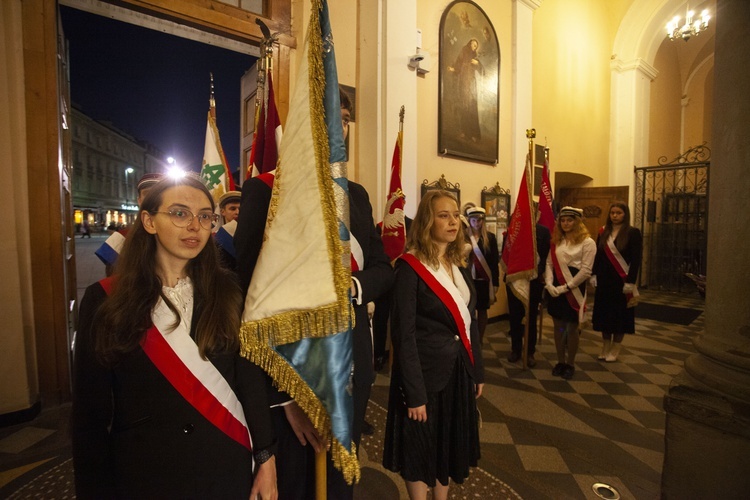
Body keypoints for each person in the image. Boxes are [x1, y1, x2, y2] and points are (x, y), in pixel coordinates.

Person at [71, 174, 277, 499]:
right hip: (149, 473)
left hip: (225, 464)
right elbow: (89, 416)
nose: (195, 226)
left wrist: (265, 456)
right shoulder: (106, 299)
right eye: (180, 213)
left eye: (205, 216)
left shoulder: (229, 292)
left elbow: (248, 379)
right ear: (149, 221)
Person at [233, 87, 393, 499]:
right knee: (297, 486)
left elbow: (381, 269)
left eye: (342, 117)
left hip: (351, 365)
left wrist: (353, 288)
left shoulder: (355, 195)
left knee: (340, 482)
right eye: (326, 117)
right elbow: (250, 301)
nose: (337, 125)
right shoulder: (266, 192)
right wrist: (284, 395)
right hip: (292, 374)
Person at [383, 190, 484, 500]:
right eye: (444, 215)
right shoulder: (409, 268)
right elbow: (404, 335)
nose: (453, 222)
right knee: (419, 449)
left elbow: (470, 322)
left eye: (455, 215)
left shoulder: (459, 266)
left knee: (448, 446)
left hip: (457, 372)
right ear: (428, 221)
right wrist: (414, 393)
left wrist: (476, 370)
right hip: (424, 376)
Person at [544, 206, 596, 380]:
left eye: (570, 220)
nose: (566, 223)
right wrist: (550, 283)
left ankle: (570, 363)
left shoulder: (588, 242)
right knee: (558, 327)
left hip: (574, 287)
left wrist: (565, 288)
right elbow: (550, 263)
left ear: (577, 221)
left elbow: (586, 271)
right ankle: (560, 361)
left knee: (572, 328)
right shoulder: (557, 240)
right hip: (556, 286)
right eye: (563, 220)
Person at [592, 201, 643, 362]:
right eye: (612, 213)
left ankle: (615, 348)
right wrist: (593, 274)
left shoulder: (633, 232)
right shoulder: (603, 232)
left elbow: (636, 260)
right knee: (604, 315)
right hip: (604, 281)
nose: (615, 216)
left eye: (618, 213)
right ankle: (605, 345)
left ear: (625, 214)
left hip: (621, 281)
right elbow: (598, 256)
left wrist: (631, 282)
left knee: (620, 315)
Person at [95, 172, 164, 276]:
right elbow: (112, 282)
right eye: (147, 194)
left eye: (158, 194)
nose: (152, 199)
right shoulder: (120, 240)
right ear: (139, 200)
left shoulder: (181, 235)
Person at [504, 220, 551, 367]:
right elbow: (507, 253)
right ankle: (515, 349)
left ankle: (529, 352)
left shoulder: (542, 231)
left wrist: (538, 270)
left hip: (533, 280)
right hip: (514, 279)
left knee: (530, 317)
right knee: (515, 316)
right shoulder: (513, 230)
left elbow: (545, 255)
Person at [463, 205, 499, 343]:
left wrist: (495, 283)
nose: (477, 223)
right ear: (469, 220)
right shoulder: (464, 237)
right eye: (474, 220)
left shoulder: (490, 238)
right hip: (468, 280)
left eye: (479, 220)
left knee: (482, 311)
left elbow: (494, 262)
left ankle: (480, 339)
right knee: (469, 310)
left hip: (483, 280)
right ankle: (470, 338)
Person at [447, 38, 483, 143]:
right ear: (469, 44)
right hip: (463, 82)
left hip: (471, 83)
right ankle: (464, 131)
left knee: (471, 108)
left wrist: (477, 63)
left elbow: (482, 70)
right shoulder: (463, 52)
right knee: (464, 106)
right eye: (472, 44)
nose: (473, 46)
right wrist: (453, 69)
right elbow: (458, 64)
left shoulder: (475, 57)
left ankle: (473, 134)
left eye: (475, 46)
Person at [215, 190, 242, 273]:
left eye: (240, 209)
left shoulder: (250, 236)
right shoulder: (215, 237)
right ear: (223, 212)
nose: (237, 212)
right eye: (233, 209)